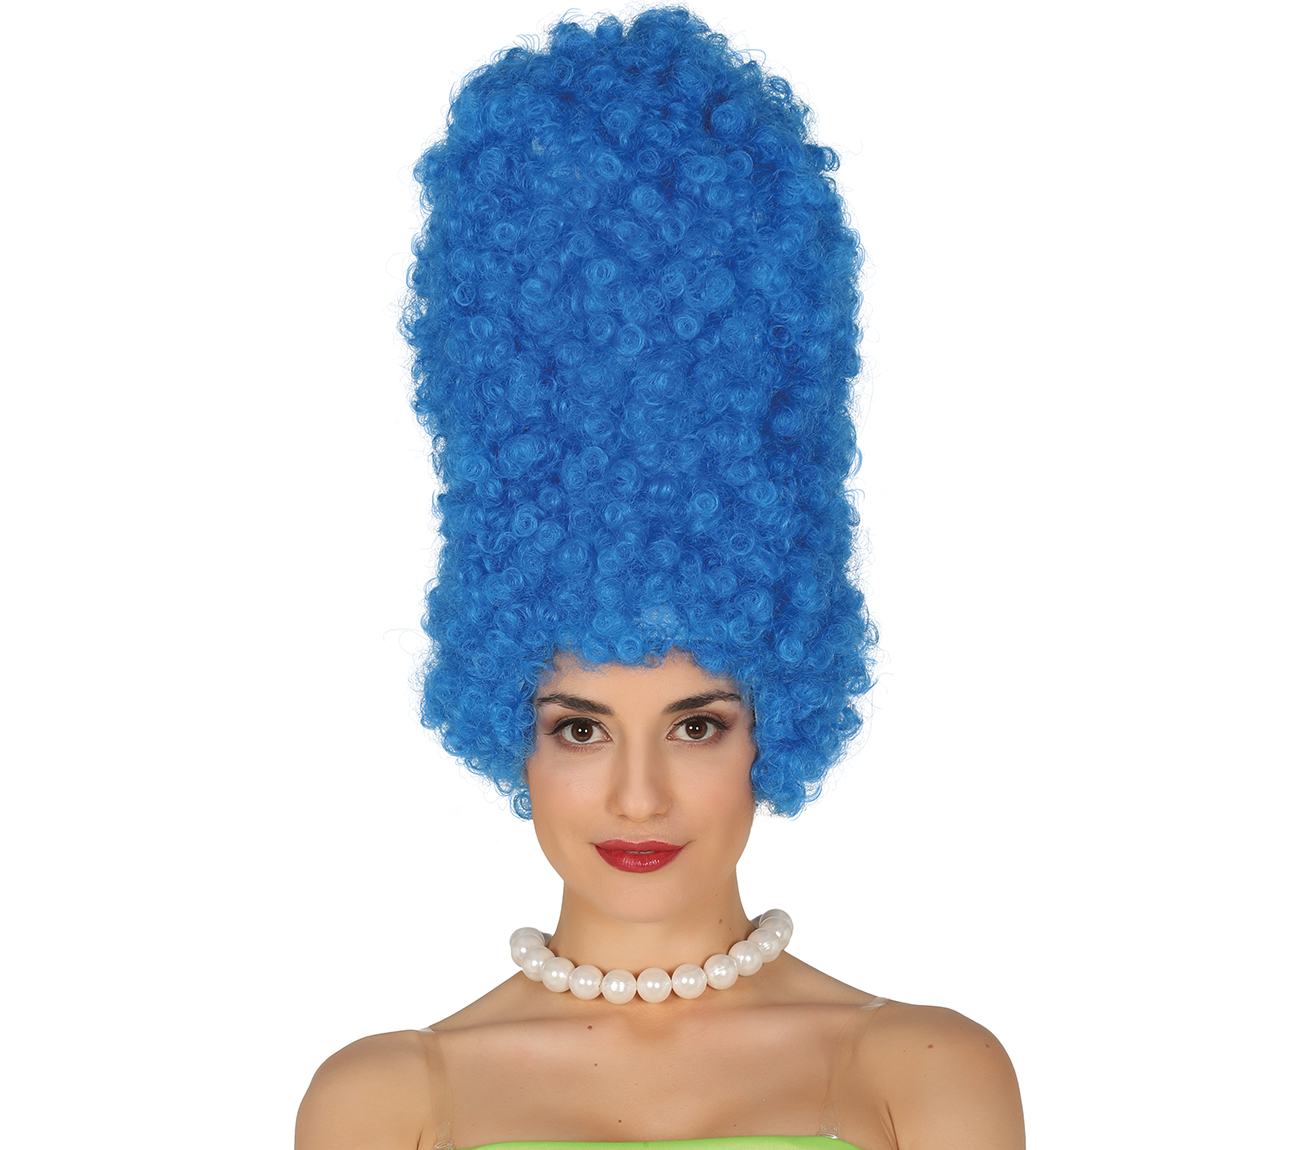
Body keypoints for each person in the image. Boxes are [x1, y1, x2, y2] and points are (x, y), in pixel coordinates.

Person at [296, 9, 1024, 1149]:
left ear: (781, 720)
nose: (638, 799)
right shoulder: (385, 1101)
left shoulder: (920, 1073)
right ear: (507, 728)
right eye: (581, 729)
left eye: (696, 725)